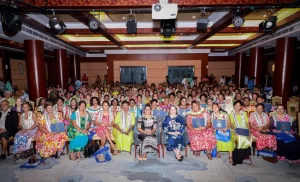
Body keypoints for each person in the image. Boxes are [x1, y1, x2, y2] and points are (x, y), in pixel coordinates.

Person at [229, 100, 251, 165]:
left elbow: (247, 123)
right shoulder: (231, 114)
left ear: (241, 107)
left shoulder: (244, 113)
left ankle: (245, 155)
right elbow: (232, 124)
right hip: (235, 130)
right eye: (236, 105)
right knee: (240, 138)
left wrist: (249, 131)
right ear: (234, 106)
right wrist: (236, 131)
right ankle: (237, 157)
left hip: (244, 129)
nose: (237, 107)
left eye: (239, 105)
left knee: (246, 137)